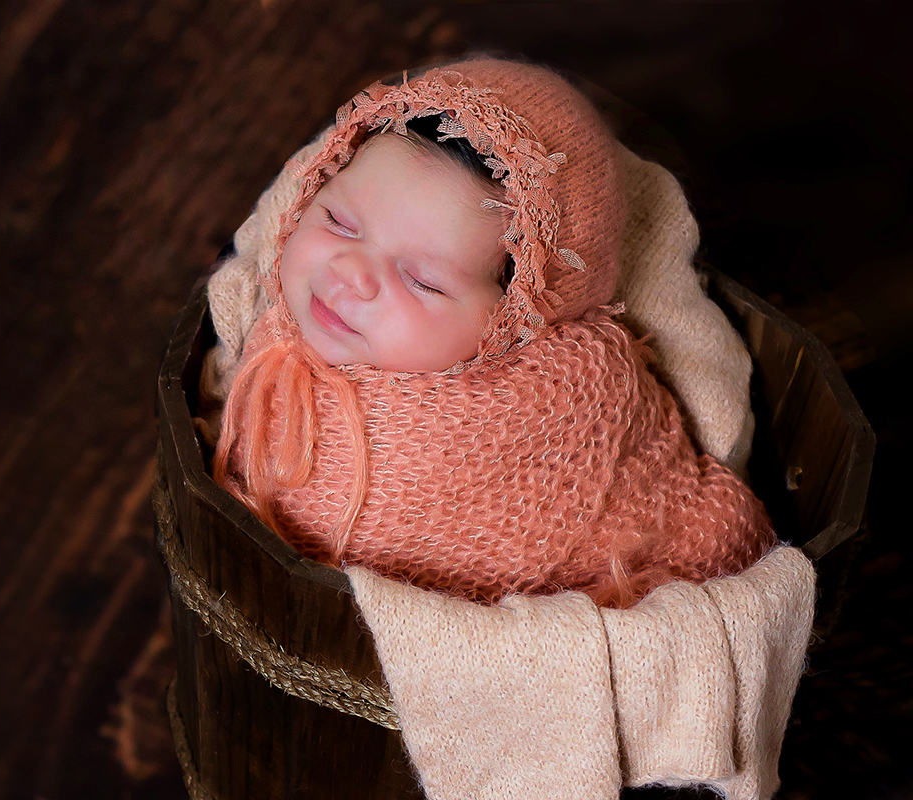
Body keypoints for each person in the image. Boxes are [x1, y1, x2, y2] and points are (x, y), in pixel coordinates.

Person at [212, 58, 774, 608]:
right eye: (338, 222)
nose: (350, 275)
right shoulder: (280, 309)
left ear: (509, 325)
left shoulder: (540, 412)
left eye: (421, 280)